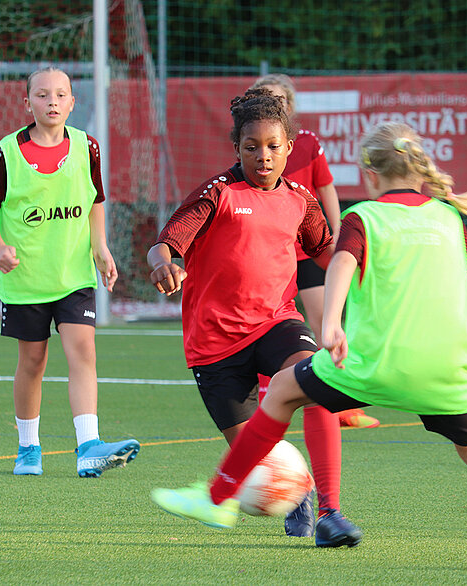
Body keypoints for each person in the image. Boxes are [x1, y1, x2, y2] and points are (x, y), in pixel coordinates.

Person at [150, 122, 467, 572]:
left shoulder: (363, 217)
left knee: (286, 390)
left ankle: (219, 498)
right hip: (448, 370)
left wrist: (330, 324)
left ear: (369, 174)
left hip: (378, 365)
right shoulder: (449, 218)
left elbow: (340, 264)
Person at [146, 88, 362, 546]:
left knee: (318, 380)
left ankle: (331, 512)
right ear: (237, 148)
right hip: (213, 343)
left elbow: (328, 252)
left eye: (272, 146)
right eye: (251, 147)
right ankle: (297, 495)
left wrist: (368, 274)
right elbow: (166, 243)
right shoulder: (218, 193)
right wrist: (163, 264)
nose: (263, 156)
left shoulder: (300, 199)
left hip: (275, 323)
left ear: (288, 148)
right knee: (256, 454)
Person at [0, 66, 140, 478]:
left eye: (60, 94)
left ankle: (89, 446)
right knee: (33, 361)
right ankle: (28, 447)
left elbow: (96, 199)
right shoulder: (8, 151)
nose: (52, 101)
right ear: (27, 102)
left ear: (72, 102)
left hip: (74, 275)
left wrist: (100, 247)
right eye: (43, 94)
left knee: (83, 351)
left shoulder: (88, 147)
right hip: (26, 279)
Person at [249, 74, 380, 430]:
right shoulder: (253, 146)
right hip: (271, 253)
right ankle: (265, 398)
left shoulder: (306, 143)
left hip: (308, 249)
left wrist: (336, 234)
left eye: (279, 100)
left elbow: (327, 188)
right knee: (262, 325)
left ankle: (338, 404)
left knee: (325, 322)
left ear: (290, 107)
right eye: (265, 98)